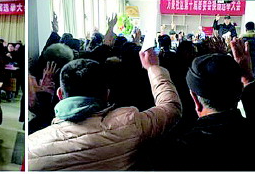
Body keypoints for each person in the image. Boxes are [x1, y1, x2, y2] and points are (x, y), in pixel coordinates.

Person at [28, 50, 181, 170]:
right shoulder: (130, 124)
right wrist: (153, 68)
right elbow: (171, 108)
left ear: (60, 94)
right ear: (107, 94)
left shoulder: (32, 146)